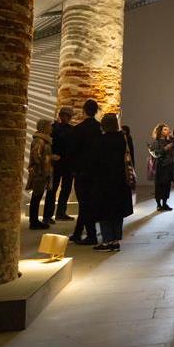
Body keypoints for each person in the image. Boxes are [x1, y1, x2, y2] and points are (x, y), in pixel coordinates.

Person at [90, 114, 134, 252]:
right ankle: (115, 240)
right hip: (120, 179)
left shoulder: (100, 141)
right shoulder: (123, 139)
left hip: (104, 180)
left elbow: (95, 162)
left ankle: (107, 240)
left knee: (104, 211)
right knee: (117, 211)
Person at [71, 99, 102, 245]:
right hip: (96, 172)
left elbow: (73, 151)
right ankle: (78, 233)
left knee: (84, 204)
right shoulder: (100, 129)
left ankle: (91, 235)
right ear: (96, 111)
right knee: (89, 203)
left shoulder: (78, 129)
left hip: (82, 172)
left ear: (84, 111)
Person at [45, 106, 75, 223]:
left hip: (63, 163)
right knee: (53, 190)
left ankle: (59, 213)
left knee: (64, 189)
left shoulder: (59, 128)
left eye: (68, 116)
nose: (66, 118)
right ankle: (50, 215)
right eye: (65, 115)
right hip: (59, 163)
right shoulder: (56, 128)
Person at [27, 119, 57, 230]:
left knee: (37, 196)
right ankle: (33, 221)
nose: (51, 128)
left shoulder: (44, 140)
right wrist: (50, 158)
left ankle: (34, 220)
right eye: (49, 126)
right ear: (44, 127)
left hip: (43, 171)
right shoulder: (39, 141)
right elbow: (36, 156)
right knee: (36, 196)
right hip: (39, 172)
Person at [150, 123, 174, 211]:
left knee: (167, 185)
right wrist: (165, 148)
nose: (168, 131)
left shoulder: (170, 141)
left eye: (168, 129)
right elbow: (155, 154)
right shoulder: (156, 142)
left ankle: (165, 204)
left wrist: (173, 138)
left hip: (169, 167)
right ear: (160, 132)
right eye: (165, 129)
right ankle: (158, 205)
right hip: (161, 167)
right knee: (159, 185)